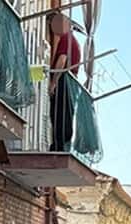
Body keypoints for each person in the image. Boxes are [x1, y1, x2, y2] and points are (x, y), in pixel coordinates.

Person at [48, 12, 81, 153]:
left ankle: (58, 146)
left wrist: (54, 82)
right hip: (71, 85)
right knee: (65, 114)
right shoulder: (74, 41)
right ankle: (62, 145)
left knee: (58, 113)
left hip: (64, 81)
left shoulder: (66, 38)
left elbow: (62, 59)